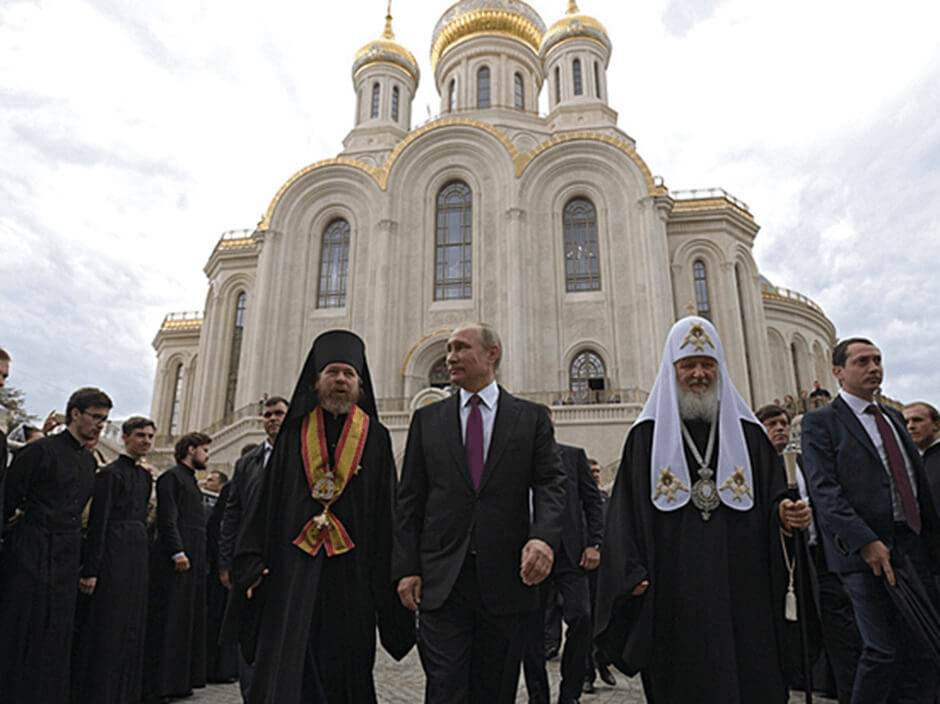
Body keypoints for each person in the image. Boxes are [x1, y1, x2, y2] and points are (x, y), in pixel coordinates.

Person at [594, 316, 807, 703]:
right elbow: (624, 516)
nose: (698, 374)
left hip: (744, 585)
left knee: (750, 672)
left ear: (720, 368)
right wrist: (631, 571)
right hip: (673, 585)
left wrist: (784, 516)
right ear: (671, 369)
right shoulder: (645, 437)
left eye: (707, 364)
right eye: (688, 365)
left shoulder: (750, 437)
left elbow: (773, 496)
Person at [231, 330, 414, 704]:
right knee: (291, 655)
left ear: (360, 385)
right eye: (332, 372)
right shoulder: (294, 432)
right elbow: (266, 502)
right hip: (293, 569)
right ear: (317, 382)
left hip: (354, 571)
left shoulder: (375, 436)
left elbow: (388, 510)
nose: (341, 380)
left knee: (348, 660)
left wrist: (394, 570)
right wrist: (251, 561)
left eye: (349, 374)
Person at [394, 321, 567, 704]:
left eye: (460, 348)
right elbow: (409, 501)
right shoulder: (428, 421)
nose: (450, 357)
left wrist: (543, 538)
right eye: (449, 350)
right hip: (443, 583)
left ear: (492, 354)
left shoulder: (530, 418)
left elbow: (552, 485)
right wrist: (408, 567)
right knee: (446, 688)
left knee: (495, 689)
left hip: (507, 580)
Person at [802, 338, 940, 703]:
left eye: (877, 360)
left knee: (923, 645)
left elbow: (915, 481)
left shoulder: (894, 418)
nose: (873, 367)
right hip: (865, 554)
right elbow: (825, 491)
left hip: (910, 544)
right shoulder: (822, 423)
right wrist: (865, 541)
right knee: (881, 650)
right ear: (838, 372)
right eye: (862, 361)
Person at [0, 386, 112, 704]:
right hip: (30, 548)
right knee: (21, 626)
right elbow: (8, 498)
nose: (100, 426)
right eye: (95, 418)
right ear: (74, 414)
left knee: (56, 632)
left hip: (66, 554)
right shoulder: (39, 452)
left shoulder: (89, 463)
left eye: (104, 420)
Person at [756, 404, 861, 704]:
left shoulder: (804, 463)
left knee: (838, 628)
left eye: (783, 423)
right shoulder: (754, 468)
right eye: (771, 424)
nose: (780, 429)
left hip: (819, 558)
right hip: (782, 564)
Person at [72, 416, 157, 704]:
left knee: (132, 623)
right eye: (140, 436)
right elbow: (99, 522)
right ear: (125, 437)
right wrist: (91, 569)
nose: (145, 441)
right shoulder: (109, 474)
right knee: (109, 621)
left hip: (136, 553)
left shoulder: (145, 476)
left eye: (149, 436)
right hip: (113, 553)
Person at [523, 432, 603, 704]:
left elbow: (592, 502)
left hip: (571, 556)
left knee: (581, 617)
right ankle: (538, 696)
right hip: (530, 558)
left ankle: (571, 692)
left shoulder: (572, 456)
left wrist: (595, 544)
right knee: (531, 632)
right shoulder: (514, 459)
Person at [219, 395, 289, 701]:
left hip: (286, 564)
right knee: (248, 634)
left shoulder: (303, 458)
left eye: (279, 414)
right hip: (247, 564)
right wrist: (226, 563)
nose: (272, 419)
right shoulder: (247, 462)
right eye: (268, 414)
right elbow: (232, 514)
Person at [145, 431, 212, 703]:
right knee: (169, 620)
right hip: (177, 557)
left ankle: (179, 681)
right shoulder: (171, 477)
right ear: (191, 449)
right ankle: (161, 684)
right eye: (205, 450)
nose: (208, 456)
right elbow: (168, 518)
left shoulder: (191, 481)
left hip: (193, 555)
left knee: (185, 620)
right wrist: (177, 551)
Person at [583, 458, 616, 693]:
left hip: (606, 569)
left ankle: (602, 662)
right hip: (583, 570)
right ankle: (587, 673)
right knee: (584, 622)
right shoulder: (575, 500)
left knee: (604, 621)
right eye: (591, 470)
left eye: (597, 470)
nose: (595, 474)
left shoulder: (608, 501)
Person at [904, 401, 940, 510]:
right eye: (906, 422)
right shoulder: (908, 461)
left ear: (937, 425)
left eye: (917, 420)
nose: (910, 426)